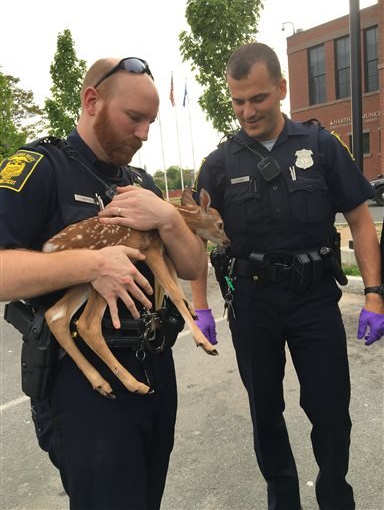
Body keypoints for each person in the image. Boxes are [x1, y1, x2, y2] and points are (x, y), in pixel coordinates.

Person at [0, 56, 206, 510]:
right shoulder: (40, 168)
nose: (144, 134)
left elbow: (191, 267)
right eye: (134, 118)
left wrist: (170, 218)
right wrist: (92, 265)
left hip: (153, 370)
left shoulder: (141, 181)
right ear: (92, 101)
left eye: (151, 121)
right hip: (83, 389)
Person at [191, 42, 384, 510]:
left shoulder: (321, 147)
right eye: (237, 101)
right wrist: (199, 305)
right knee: (265, 413)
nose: (247, 111)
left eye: (257, 98)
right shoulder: (218, 164)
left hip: (314, 297)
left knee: (331, 411)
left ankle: (335, 495)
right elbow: (194, 235)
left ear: (281, 88)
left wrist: (375, 295)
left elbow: (360, 219)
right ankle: (284, 500)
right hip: (252, 303)